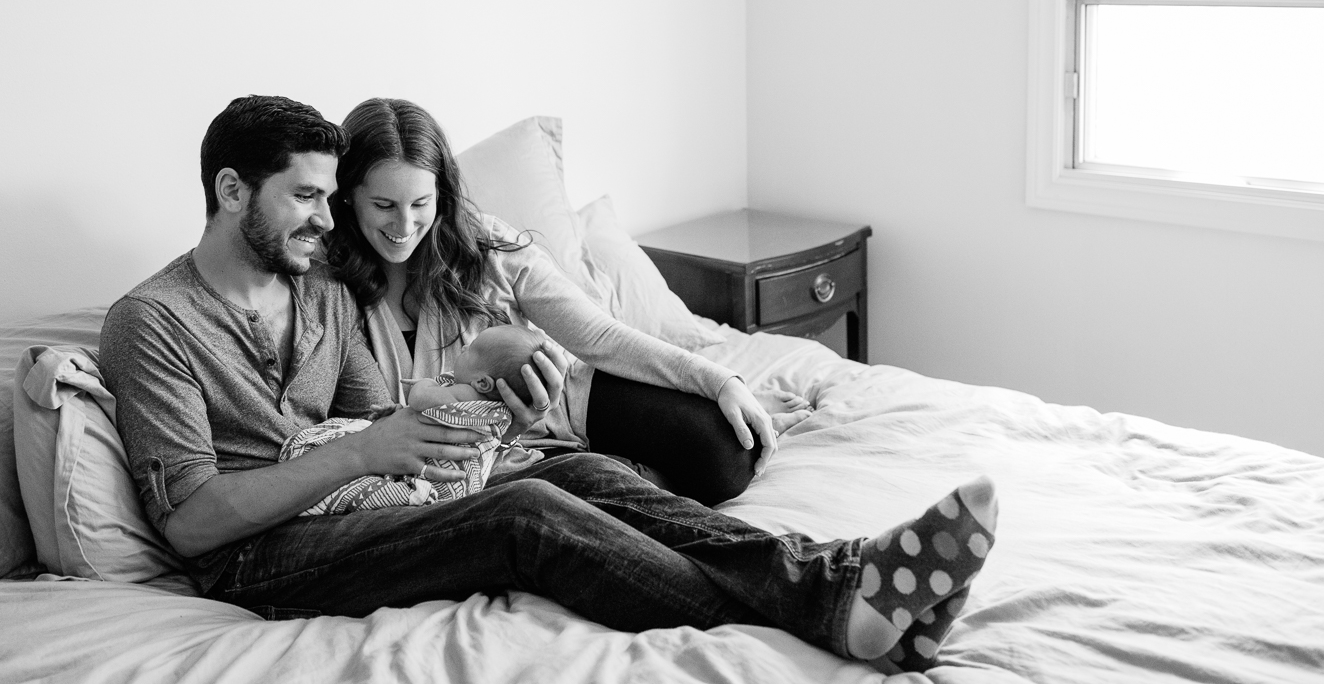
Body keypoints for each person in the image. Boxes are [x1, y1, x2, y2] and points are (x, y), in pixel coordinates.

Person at [101, 94, 999, 673]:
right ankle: (836, 608)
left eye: (331, 200)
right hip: (260, 554)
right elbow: (192, 521)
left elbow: (376, 412)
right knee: (522, 519)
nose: (327, 219)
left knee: (588, 476)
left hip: (353, 498)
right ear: (229, 191)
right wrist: (372, 449)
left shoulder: (317, 284)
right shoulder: (153, 323)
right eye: (307, 199)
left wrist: (459, 391)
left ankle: (837, 576)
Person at [326, 98, 790, 505]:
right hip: (491, 461)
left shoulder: (484, 246)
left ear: (441, 195)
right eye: (384, 206)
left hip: (570, 402)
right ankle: (618, 472)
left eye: (420, 203)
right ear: (347, 197)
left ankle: (633, 468)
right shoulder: (329, 286)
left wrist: (717, 381)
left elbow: (599, 336)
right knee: (557, 497)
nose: (404, 225)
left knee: (731, 454)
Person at [277, 324, 542, 515]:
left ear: (483, 383)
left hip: (439, 482)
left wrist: (425, 384)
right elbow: (424, 418)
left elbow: (420, 401)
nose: (464, 345)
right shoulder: (497, 410)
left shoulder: (466, 395)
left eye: (471, 350)